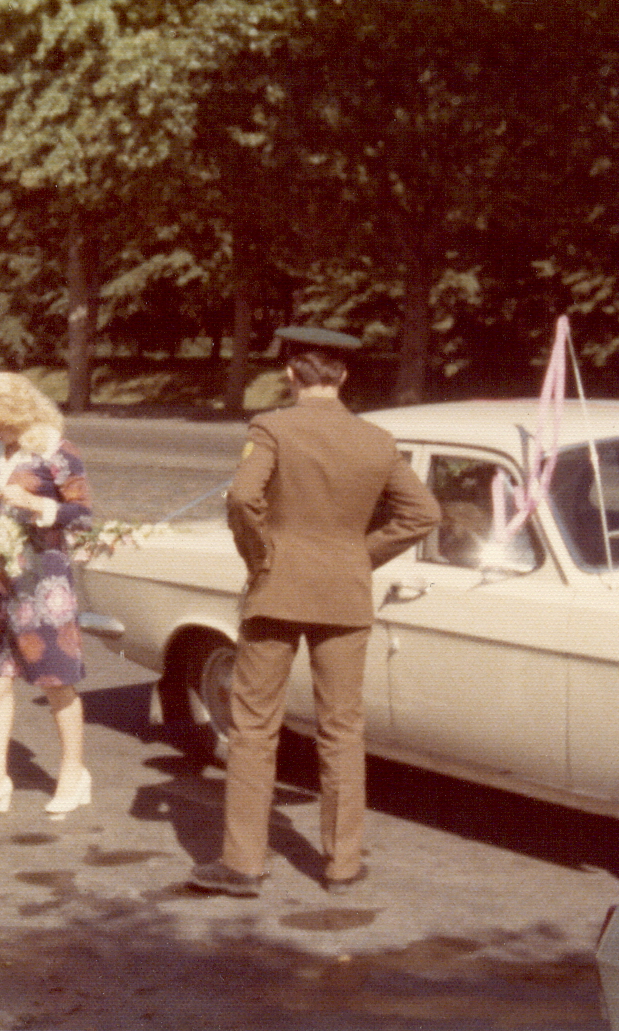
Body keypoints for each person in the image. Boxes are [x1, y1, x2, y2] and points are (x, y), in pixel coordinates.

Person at [188, 329, 441, 897]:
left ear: (290, 374)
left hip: (277, 593)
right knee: (343, 730)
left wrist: (262, 558)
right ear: (344, 376)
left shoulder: (273, 427)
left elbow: (241, 497)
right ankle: (343, 865)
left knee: (253, 728)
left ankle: (244, 865)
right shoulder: (376, 439)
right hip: (344, 596)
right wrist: (360, 555)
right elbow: (423, 512)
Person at [0, 372, 94, 819]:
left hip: (43, 581)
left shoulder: (58, 452)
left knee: (55, 678)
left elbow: (83, 516)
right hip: (2, 578)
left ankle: (73, 772)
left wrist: (38, 505)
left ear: (21, 413)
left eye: (0, 423)